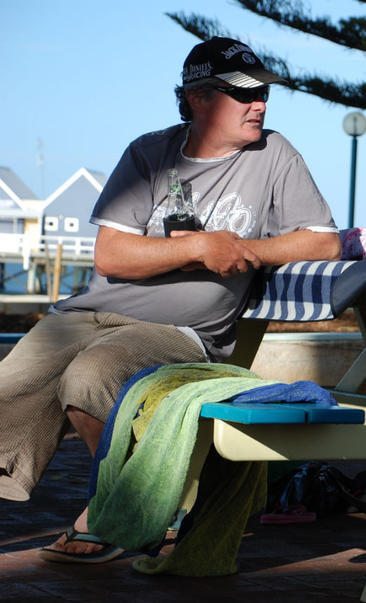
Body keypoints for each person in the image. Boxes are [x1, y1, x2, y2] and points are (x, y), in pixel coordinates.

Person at [0, 37, 340, 562]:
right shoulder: (148, 152)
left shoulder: (274, 154)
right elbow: (112, 256)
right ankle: (123, 504)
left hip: (181, 333)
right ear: (198, 98)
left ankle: (121, 514)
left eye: (264, 93)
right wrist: (203, 247)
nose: (261, 104)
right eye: (244, 94)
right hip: (88, 312)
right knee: (9, 387)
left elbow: (323, 241)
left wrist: (240, 248)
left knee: (90, 377)